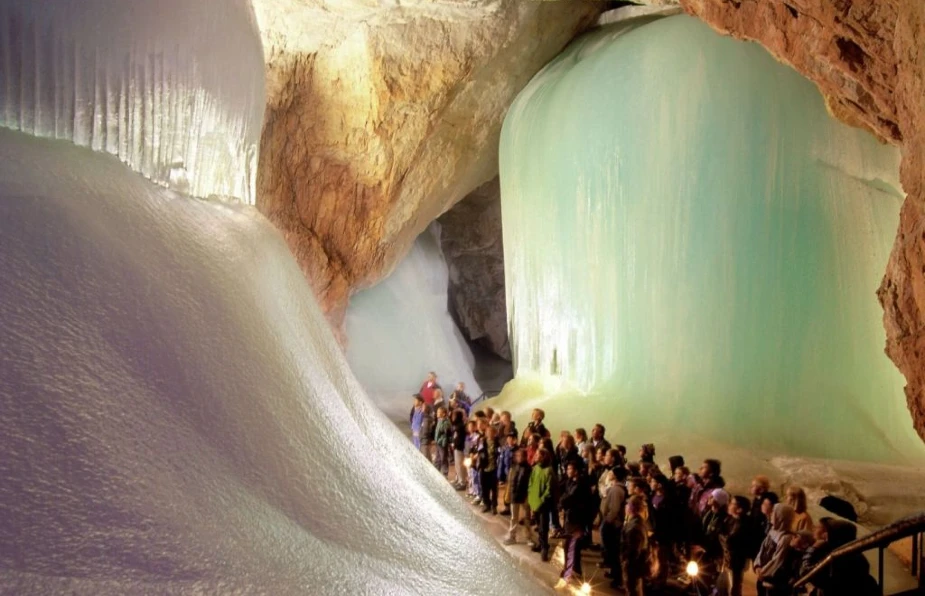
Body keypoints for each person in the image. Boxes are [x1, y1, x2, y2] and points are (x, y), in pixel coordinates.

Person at [798, 517, 876, 595]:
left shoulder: (839, 559)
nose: (813, 529)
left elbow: (805, 573)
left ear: (827, 535)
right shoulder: (851, 555)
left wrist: (813, 548)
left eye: (817, 527)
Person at [556, 460, 590, 588]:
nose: (567, 471)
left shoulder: (580, 484)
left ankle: (568, 573)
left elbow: (569, 497)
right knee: (572, 546)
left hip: (577, 519)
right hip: (571, 518)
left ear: (576, 470)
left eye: (570, 469)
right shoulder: (571, 481)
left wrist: (562, 503)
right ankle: (576, 570)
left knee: (570, 546)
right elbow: (564, 495)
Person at [754, 503, 796, 596]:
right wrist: (757, 565)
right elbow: (762, 549)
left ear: (780, 517)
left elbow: (778, 559)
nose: (771, 514)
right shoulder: (772, 531)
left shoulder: (786, 537)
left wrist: (763, 572)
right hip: (762, 575)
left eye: (774, 512)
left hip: (773, 579)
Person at [719, 495, 755, 596]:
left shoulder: (743, 524)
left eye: (732, 503)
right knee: (724, 584)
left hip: (735, 561)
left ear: (739, 509)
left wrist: (723, 538)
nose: (729, 505)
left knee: (733, 586)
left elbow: (729, 541)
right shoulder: (729, 519)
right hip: (726, 559)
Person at [601, 467, 627, 587]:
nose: (609, 474)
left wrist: (608, 520)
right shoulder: (616, 488)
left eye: (611, 473)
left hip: (613, 524)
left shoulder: (616, 490)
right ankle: (614, 573)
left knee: (613, 551)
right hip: (613, 522)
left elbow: (614, 509)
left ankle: (618, 578)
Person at [528, 448, 554, 562]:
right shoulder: (535, 468)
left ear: (543, 457)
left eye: (538, 454)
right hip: (535, 502)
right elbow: (531, 483)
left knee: (544, 526)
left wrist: (541, 499)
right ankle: (540, 543)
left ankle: (544, 547)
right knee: (539, 525)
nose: (535, 455)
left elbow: (549, 489)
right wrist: (532, 498)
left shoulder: (549, 471)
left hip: (544, 504)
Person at [622, 494, 650, 596]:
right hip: (636, 566)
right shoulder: (636, 523)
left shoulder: (634, 527)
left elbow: (633, 551)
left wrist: (626, 562)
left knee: (633, 590)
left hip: (634, 567)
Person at [504, 448, 534, 545]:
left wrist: (528, 496)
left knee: (526, 517)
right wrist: (509, 495)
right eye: (518, 456)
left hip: (525, 496)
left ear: (525, 457)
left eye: (521, 456)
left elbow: (530, 484)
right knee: (514, 518)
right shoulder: (513, 467)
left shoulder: (529, 469)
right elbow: (510, 482)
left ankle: (528, 537)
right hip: (514, 495)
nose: (519, 458)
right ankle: (512, 537)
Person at [477, 425, 500, 514]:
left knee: (494, 489)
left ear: (495, 433)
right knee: (484, 488)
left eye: (492, 432)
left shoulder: (497, 443)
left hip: (494, 468)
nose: (489, 434)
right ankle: (487, 504)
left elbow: (499, 453)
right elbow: (478, 451)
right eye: (488, 432)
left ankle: (494, 506)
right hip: (484, 468)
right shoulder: (482, 441)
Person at [497, 431, 517, 515]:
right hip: (506, 474)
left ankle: (513, 509)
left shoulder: (517, 450)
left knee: (512, 492)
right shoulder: (505, 449)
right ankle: (507, 507)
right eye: (508, 438)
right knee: (506, 492)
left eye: (512, 438)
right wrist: (500, 475)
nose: (509, 440)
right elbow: (501, 463)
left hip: (514, 474)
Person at [450, 408, 468, 490]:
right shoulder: (456, 425)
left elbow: (459, 438)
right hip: (456, 447)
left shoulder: (460, 426)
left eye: (454, 415)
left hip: (460, 448)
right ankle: (459, 479)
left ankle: (462, 482)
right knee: (457, 465)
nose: (452, 417)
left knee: (460, 465)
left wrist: (455, 444)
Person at [432, 406, 450, 476]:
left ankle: (445, 473)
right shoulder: (439, 420)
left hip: (442, 443)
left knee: (443, 458)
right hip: (438, 443)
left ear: (444, 414)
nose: (437, 413)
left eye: (439, 412)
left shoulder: (446, 422)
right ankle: (436, 471)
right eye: (437, 412)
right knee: (438, 457)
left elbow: (444, 431)